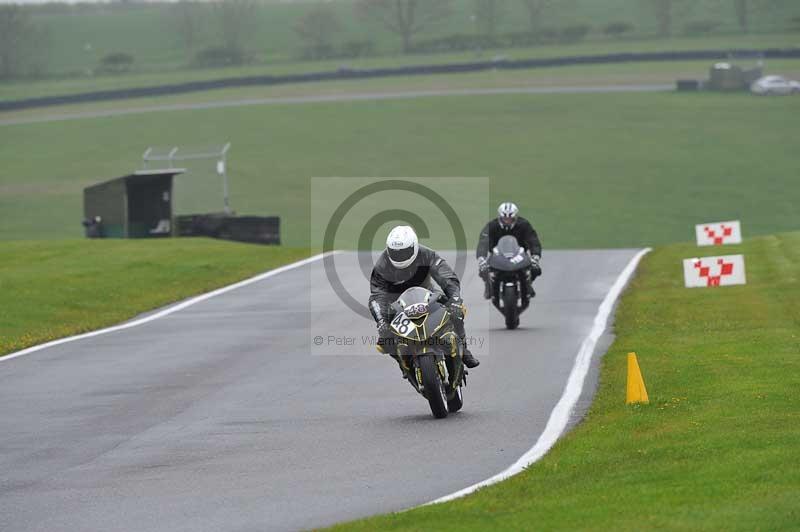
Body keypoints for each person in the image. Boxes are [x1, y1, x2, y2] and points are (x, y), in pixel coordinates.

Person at [369, 225, 480, 374]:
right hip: (396, 304)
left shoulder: (427, 254)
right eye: (395, 253)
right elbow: (377, 296)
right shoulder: (382, 265)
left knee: (457, 312)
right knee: (385, 340)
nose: (399, 256)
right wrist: (381, 320)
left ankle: (463, 349)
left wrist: (454, 299)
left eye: (404, 252)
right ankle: (403, 364)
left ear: (414, 246)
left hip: (428, 294)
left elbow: (447, 277)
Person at [476, 202, 542, 299]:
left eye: (510, 219)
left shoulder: (524, 225)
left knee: (535, 269)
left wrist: (535, 255)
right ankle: (489, 286)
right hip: (497, 255)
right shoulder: (492, 226)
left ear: (515, 217)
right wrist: (481, 258)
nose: (507, 221)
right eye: (505, 218)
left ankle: (528, 284)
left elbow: (533, 240)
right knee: (483, 270)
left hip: (519, 255)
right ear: (500, 217)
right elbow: (483, 242)